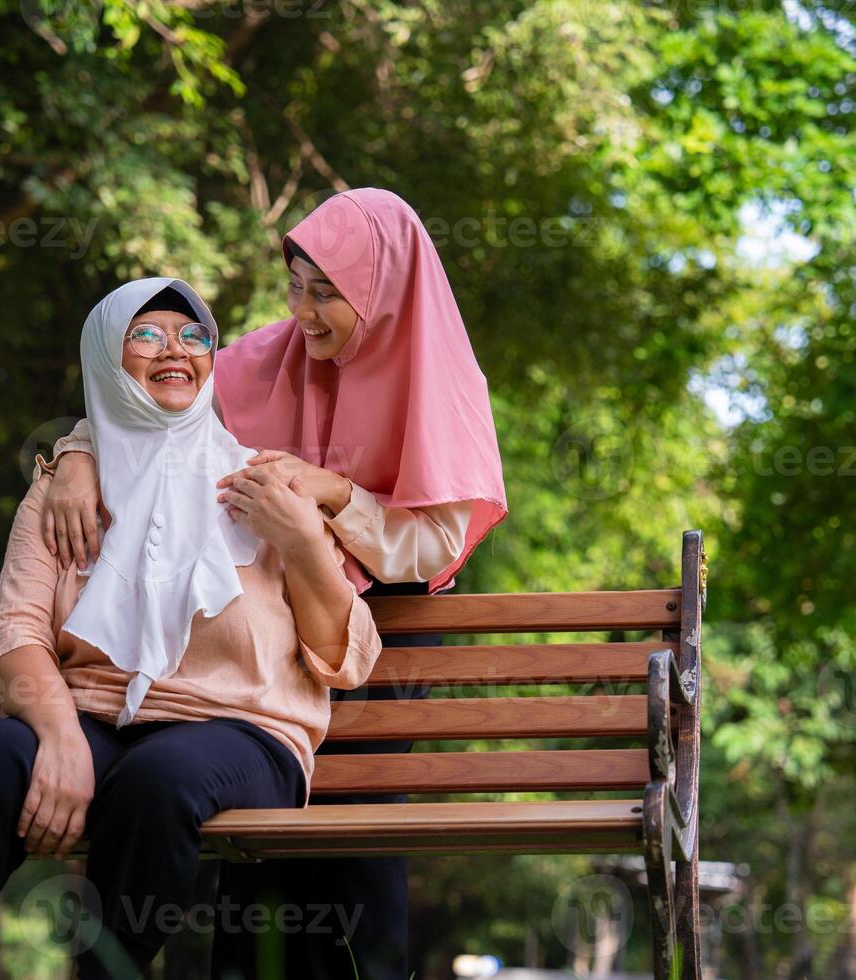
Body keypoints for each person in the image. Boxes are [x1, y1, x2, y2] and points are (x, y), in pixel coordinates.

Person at [35, 189, 508, 979]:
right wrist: (76, 455)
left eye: (327, 293)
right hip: (279, 634)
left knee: (353, 852)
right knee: (260, 848)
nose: (305, 311)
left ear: (383, 287)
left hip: (383, 645)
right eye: (296, 285)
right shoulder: (264, 358)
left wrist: (331, 495)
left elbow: (431, 545)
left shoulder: (444, 383)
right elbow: (151, 400)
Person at [0, 277, 382, 980]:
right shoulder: (62, 493)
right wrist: (56, 737)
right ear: (108, 360)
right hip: (93, 719)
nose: (174, 349)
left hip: (244, 732)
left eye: (193, 335)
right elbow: (18, 635)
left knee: (156, 779)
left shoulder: (267, 488)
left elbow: (341, 661)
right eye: (145, 335)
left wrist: (300, 544)